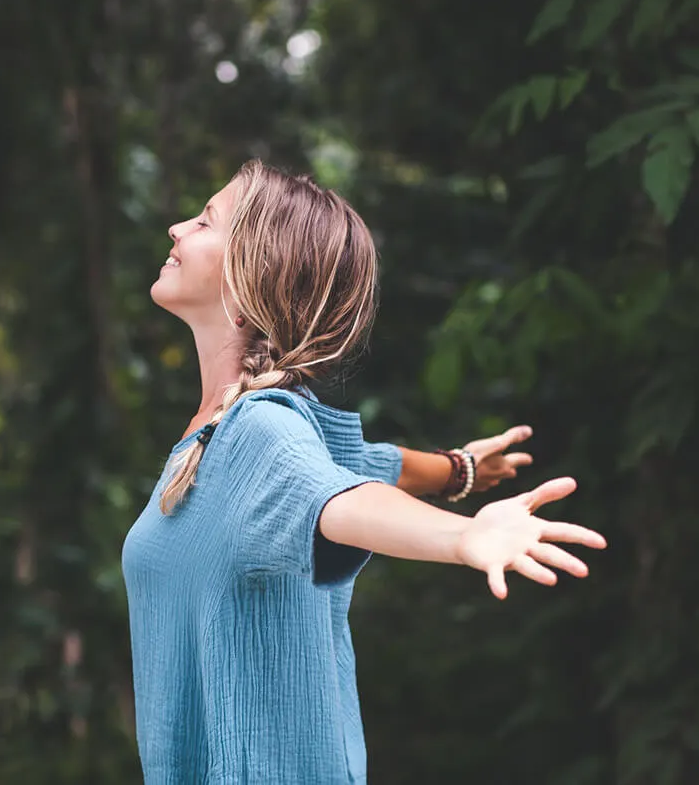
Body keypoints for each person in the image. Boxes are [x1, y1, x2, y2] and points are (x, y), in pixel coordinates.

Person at [121, 160, 607, 784]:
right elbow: (361, 464)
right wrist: (456, 471)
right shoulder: (221, 434)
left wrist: (461, 538)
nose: (175, 228)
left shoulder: (260, 432)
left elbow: (344, 500)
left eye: (205, 220)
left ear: (249, 282)